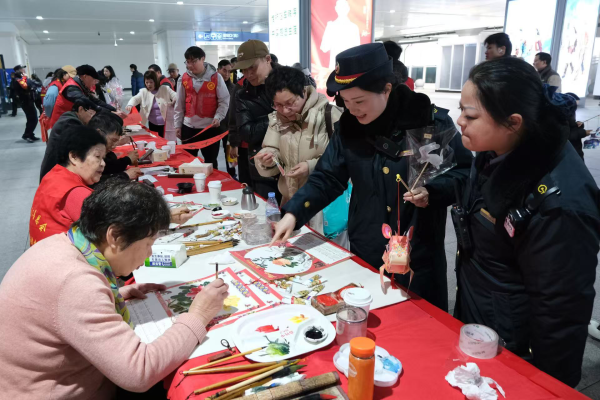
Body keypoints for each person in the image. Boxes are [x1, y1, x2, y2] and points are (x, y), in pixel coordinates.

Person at [271, 43, 473, 310]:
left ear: (386, 89)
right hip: (367, 246)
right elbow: (328, 176)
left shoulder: (428, 122)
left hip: (418, 251)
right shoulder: (349, 128)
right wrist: (294, 213)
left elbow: (464, 173)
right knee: (364, 318)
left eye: (359, 101)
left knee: (418, 322)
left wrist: (432, 192)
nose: (352, 109)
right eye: (345, 101)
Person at [2, 179, 229, 399]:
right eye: (148, 244)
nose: (149, 254)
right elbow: (139, 372)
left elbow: (64, 309)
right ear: (115, 236)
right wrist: (199, 316)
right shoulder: (75, 283)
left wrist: (113, 295)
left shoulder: (66, 245)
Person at [454, 57, 600, 387]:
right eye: (462, 109)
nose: (459, 121)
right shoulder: (496, 146)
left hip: (515, 347)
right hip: (483, 318)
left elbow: (561, 310)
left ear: (513, 122)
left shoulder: (560, 204)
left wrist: (548, 387)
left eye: (470, 115)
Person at [255, 66, 342, 233]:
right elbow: (271, 148)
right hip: (291, 203)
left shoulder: (330, 115)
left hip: (324, 207)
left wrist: (310, 166)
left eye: (290, 103)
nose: (285, 110)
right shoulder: (277, 120)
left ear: (303, 92)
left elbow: (342, 161)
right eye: (278, 105)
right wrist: (268, 160)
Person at [229, 40, 281, 200]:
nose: (248, 74)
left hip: (296, 163)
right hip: (263, 166)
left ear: (267, 59)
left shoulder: (291, 81)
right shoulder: (242, 93)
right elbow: (246, 132)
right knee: (269, 210)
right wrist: (277, 118)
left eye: (252, 67)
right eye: (244, 70)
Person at [174, 46, 230, 168]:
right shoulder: (183, 79)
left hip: (209, 128)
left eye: (194, 61)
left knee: (210, 162)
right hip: (188, 128)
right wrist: (177, 125)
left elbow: (224, 100)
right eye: (187, 62)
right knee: (188, 163)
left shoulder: (216, 77)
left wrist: (218, 117)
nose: (190, 65)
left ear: (203, 59)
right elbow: (179, 104)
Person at [40, 98, 98, 181]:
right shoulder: (70, 122)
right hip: (54, 173)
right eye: (91, 113)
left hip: (57, 170)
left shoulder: (69, 118)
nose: (92, 118)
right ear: (81, 109)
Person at [49, 64, 117, 129]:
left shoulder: (81, 85)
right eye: (94, 79)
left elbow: (96, 101)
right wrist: (109, 113)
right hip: (61, 124)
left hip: (70, 121)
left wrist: (113, 110)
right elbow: (86, 101)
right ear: (85, 77)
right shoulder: (71, 87)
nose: (94, 83)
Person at [88, 112, 143, 182]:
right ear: (99, 134)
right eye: (113, 140)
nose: (114, 145)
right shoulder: (86, 154)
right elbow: (97, 183)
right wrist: (125, 175)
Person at [126, 70, 177, 139]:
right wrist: (130, 104)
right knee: (155, 141)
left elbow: (175, 95)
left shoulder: (165, 89)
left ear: (155, 81)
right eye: (146, 82)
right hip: (153, 124)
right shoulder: (143, 92)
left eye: (151, 82)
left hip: (166, 124)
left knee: (168, 140)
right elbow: (135, 98)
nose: (149, 84)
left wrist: (175, 100)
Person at [217, 59, 237, 178]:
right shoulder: (212, 86)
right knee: (212, 155)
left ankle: (232, 176)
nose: (227, 74)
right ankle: (213, 177)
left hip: (229, 126)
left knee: (229, 153)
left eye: (229, 71)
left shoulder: (234, 88)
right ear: (218, 70)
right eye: (224, 70)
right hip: (215, 125)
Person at [12, 66, 40, 143]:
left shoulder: (21, 79)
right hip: (25, 101)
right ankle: (27, 135)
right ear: (18, 71)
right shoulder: (18, 80)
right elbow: (26, 86)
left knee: (33, 118)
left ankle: (30, 134)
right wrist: (25, 78)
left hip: (28, 101)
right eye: (22, 69)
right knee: (32, 118)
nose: (23, 70)